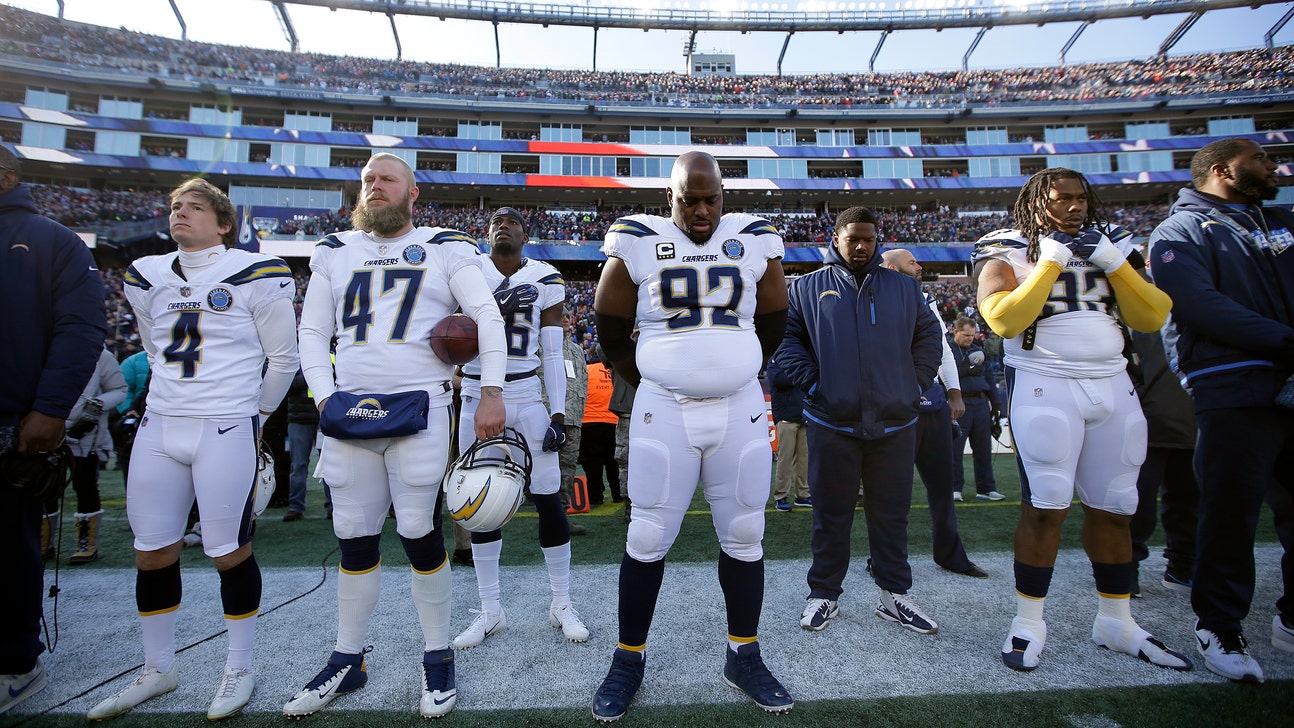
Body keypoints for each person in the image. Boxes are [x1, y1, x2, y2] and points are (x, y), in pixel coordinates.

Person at [290, 153, 507, 719]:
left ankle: (438, 656)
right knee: (354, 532)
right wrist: (322, 395)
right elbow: (312, 330)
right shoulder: (335, 251)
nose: (375, 186)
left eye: (387, 178)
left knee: (417, 529)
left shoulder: (444, 245)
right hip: (350, 409)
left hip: (421, 403)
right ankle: (347, 657)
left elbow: (486, 315)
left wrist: (490, 392)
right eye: (368, 180)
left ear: (414, 194)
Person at [87, 177, 300, 721]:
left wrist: (255, 419)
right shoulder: (148, 274)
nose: (180, 214)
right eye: (176, 207)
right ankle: (158, 668)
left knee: (227, 550)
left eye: (194, 207)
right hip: (161, 424)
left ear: (223, 222)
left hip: (225, 425)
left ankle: (240, 666)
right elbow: (155, 347)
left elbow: (283, 359)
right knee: (152, 549)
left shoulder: (255, 272)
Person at [591, 151, 793, 721]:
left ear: (724, 197)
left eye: (712, 200)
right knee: (648, 533)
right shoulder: (637, 239)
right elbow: (610, 327)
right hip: (666, 410)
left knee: (746, 532)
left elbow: (774, 318)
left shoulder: (753, 239)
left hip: (739, 409)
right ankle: (628, 659)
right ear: (670, 198)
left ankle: (743, 654)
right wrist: (655, 376)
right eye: (690, 199)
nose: (702, 211)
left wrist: (736, 363)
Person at [973, 167, 1188, 674]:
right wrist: (1049, 263)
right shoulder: (1006, 247)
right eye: (1061, 199)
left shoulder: (1113, 243)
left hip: (1113, 382)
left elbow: (1152, 316)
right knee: (1047, 506)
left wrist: (1112, 261)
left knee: (1117, 506)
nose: (1075, 206)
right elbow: (1002, 320)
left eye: (1080, 198)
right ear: (1035, 203)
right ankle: (1029, 622)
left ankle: (1116, 620)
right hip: (1046, 381)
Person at [1148, 138, 1294, 682]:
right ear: (1221, 169)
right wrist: (1286, 340)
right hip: (1232, 384)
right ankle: (1220, 623)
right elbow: (1198, 305)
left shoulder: (1282, 220)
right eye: (1259, 157)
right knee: (1231, 510)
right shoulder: (1180, 231)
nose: (1272, 164)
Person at [776, 208, 944, 636]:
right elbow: (787, 341)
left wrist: (913, 384)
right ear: (836, 237)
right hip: (832, 422)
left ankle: (894, 595)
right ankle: (823, 593)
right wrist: (816, 386)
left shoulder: (904, 288)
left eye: (868, 239)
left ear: (877, 240)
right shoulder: (806, 288)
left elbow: (929, 337)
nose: (861, 246)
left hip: (894, 422)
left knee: (891, 514)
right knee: (830, 514)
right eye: (853, 238)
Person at [0, 145, 107, 716]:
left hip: (14, 418)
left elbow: (80, 330)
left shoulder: (51, 241)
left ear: (7, 176)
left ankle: (15, 661)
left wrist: (50, 409)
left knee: (8, 541)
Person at [453, 206, 589, 648]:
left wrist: (557, 415)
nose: (503, 224)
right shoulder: (467, 269)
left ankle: (561, 602)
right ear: (486, 233)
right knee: (481, 502)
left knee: (549, 497)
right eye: (496, 221)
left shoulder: (545, 276)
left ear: (526, 234)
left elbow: (553, 352)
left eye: (512, 221)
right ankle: (490, 609)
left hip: (528, 396)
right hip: (476, 395)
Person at [880, 249, 987, 578]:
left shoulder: (925, 299)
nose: (920, 266)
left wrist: (953, 391)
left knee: (942, 487)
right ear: (891, 267)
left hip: (933, 405)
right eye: (912, 262)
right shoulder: (874, 296)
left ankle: (950, 554)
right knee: (891, 492)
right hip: (896, 408)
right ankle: (884, 558)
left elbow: (941, 349)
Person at [1125, 328, 1198, 598]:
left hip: (1192, 420)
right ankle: (1125, 568)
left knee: (1189, 502)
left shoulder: (1192, 311)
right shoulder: (1136, 316)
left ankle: (1182, 565)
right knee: (1137, 503)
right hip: (1145, 423)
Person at [53, 347, 127, 565]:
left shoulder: (100, 355)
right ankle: (42, 540)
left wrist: (96, 404)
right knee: (44, 486)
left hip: (85, 432)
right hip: (45, 427)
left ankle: (86, 542)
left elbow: (119, 390)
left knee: (84, 485)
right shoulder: (40, 348)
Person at [948, 317, 1005, 501]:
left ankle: (986, 488)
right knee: (955, 450)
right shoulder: (947, 351)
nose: (970, 338)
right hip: (960, 404)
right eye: (966, 335)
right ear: (955, 332)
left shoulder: (978, 351)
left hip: (981, 404)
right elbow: (944, 376)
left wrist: (996, 406)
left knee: (983, 448)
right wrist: (965, 368)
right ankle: (955, 488)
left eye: (972, 335)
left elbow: (989, 379)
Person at [766, 356, 809, 512]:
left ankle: (802, 494)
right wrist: (800, 372)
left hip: (803, 414)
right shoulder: (775, 361)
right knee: (785, 458)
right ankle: (781, 495)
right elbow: (779, 381)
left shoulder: (799, 357)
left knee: (804, 459)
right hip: (786, 416)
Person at [580, 353, 618, 506]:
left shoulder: (586, 370)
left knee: (592, 463)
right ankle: (619, 493)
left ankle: (595, 496)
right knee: (614, 462)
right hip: (613, 419)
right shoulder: (616, 370)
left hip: (589, 421)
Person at [284, 368, 319, 521]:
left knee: (331, 465)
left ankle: (333, 506)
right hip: (299, 417)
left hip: (323, 416)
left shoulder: (331, 350)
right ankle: (296, 507)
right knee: (298, 465)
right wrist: (311, 375)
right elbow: (286, 384)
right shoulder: (293, 355)